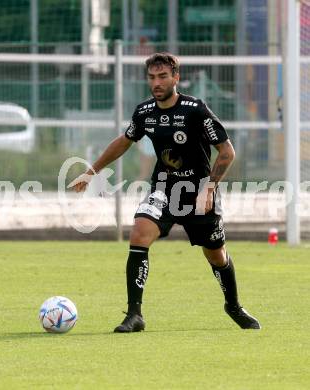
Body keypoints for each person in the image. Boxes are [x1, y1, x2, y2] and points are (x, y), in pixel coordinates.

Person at [70, 52, 261, 332]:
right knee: (140, 232)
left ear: (175, 77)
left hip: (198, 192)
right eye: (151, 77)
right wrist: (91, 172)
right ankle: (134, 314)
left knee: (216, 254)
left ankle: (233, 306)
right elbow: (124, 141)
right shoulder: (145, 112)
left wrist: (209, 188)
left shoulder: (195, 109)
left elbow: (227, 151)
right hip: (163, 189)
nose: (156, 82)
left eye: (162, 76)